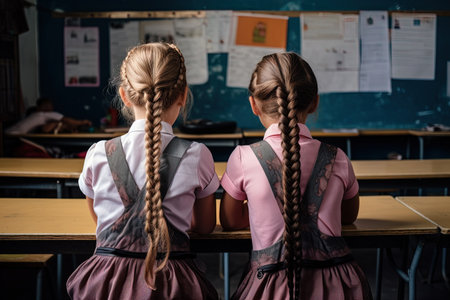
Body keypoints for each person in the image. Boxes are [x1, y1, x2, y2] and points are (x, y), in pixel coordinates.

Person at [67, 43, 219, 299]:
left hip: (107, 283)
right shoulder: (197, 154)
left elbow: (100, 221)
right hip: (172, 282)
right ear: (183, 95)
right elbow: (204, 227)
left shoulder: (99, 152)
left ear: (124, 96)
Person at [220, 52, 372, 300]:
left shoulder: (242, 158)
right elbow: (348, 216)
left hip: (271, 285)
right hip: (336, 284)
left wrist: (263, 212)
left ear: (253, 105)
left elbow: (229, 221)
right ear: (314, 103)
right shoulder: (338, 158)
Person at [5, 97, 91, 135]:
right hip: (13, 136)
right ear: (40, 107)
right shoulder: (44, 114)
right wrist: (83, 122)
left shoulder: (36, 114)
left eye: (50, 105)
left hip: (8, 133)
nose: (49, 107)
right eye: (47, 105)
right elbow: (67, 120)